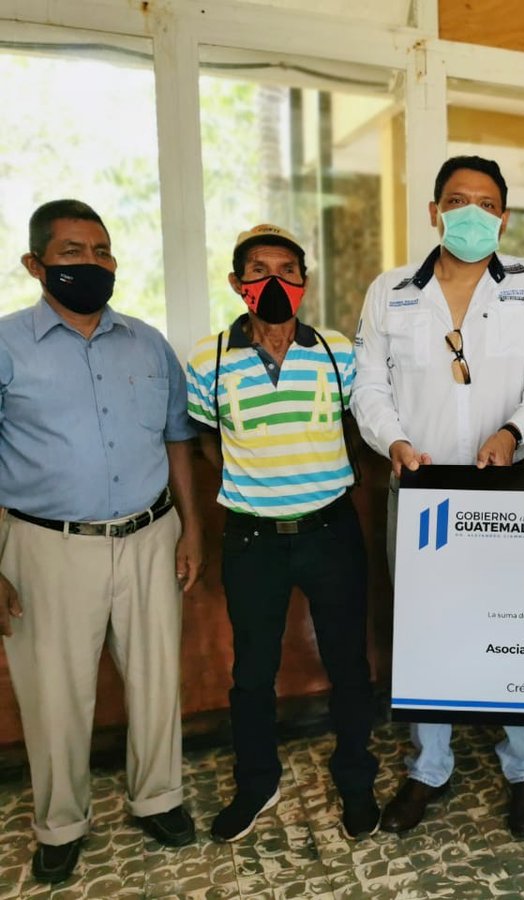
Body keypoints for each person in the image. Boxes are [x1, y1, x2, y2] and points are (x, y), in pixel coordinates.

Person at [352, 155, 524, 838]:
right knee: (428, 628)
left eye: (486, 203)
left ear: (504, 219)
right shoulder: (391, 291)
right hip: (424, 492)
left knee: (521, 625)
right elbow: (368, 386)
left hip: (509, 486)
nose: (471, 213)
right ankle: (429, 767)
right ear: (434, 212)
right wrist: (394, 442)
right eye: (457, 201)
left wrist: (514, 431)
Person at [0, 199, 203, 884]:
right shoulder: (6, 345)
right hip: (47, 546)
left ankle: (159, 798)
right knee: (54, 694)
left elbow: (178, 440)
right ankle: (61, 824)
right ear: (35, 264)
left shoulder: (147, 343)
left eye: (102, 251)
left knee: (156, 679)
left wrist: (190, 529)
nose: (91, 263)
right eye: (72, 252)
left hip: (150, 535)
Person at [185, 224, 379, 843]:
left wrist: (320, 473)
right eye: (260, 270)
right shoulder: (210, 359)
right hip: (252, 540)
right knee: (252, 672)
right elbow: (206, 437)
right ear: (237, 283)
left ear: (304, 282)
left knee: (349, 664)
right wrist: (252, 481)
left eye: (288, 270)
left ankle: (356, 778)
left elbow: (356, 427)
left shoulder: (337, 353)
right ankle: (256, 782)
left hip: (330, 531)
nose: (275, 281)